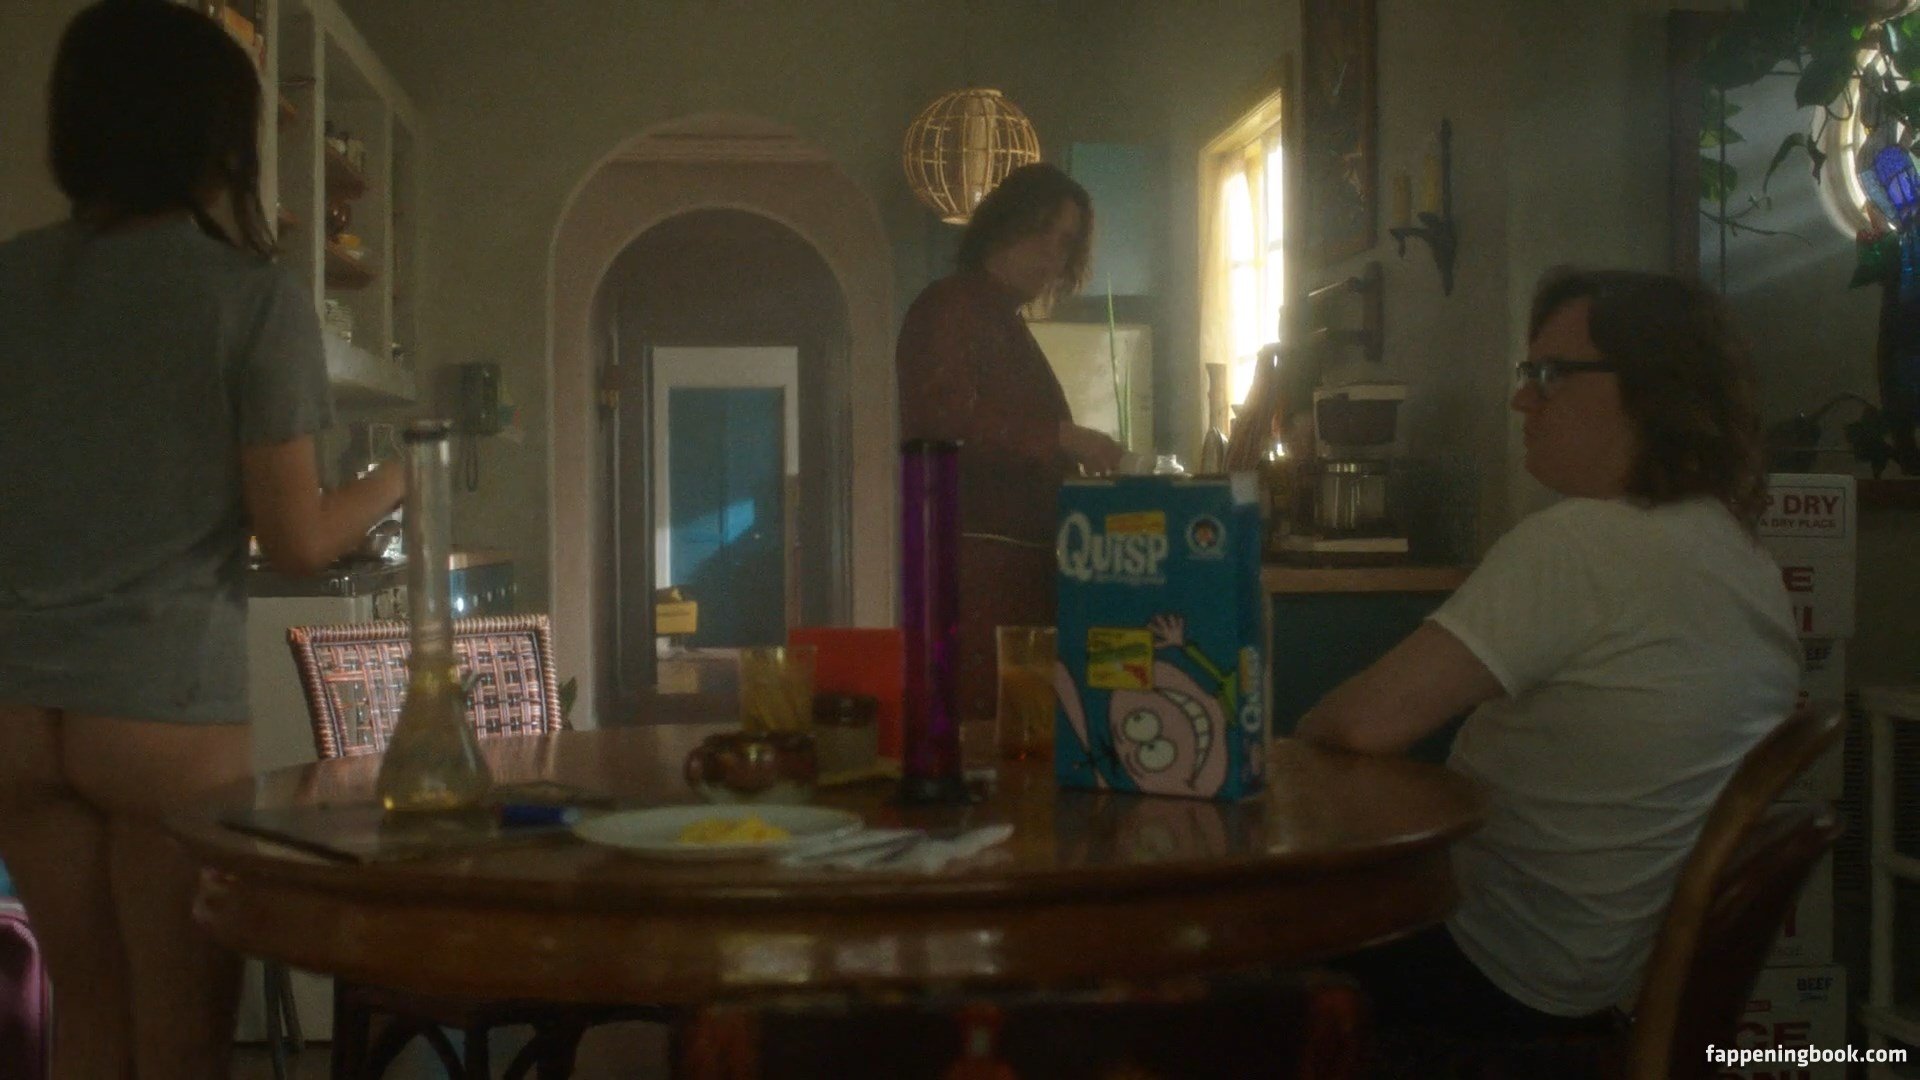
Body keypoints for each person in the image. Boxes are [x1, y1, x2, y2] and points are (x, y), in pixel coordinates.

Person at [0, 3, 406, 1075]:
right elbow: (299, 539)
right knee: (179, 1043)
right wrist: (405, 476)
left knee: (88, 1024)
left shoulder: (8, 279)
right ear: (217, 138)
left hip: (14, 706)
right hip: (161, 710)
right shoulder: (248, 299)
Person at [1296, 268, 1799, 1037]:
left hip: (1490, 974)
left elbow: (1352, 727)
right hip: (1600, 983)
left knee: (1230, 960)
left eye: (1549, 374)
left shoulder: (1583, 543)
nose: (1521, 400)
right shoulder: (1743, 557)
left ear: (1651, 389)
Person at [896, 163, 1127, 724]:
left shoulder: (1000, 319)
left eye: (1065, 242)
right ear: (1002, 224)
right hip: (978, 572)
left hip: (1014, 572)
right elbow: (940, 418)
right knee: (988, 730)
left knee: (1016, 730)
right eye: (1041, 230)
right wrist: (1063, 436)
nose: (1052, 254)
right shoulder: (950, 305)